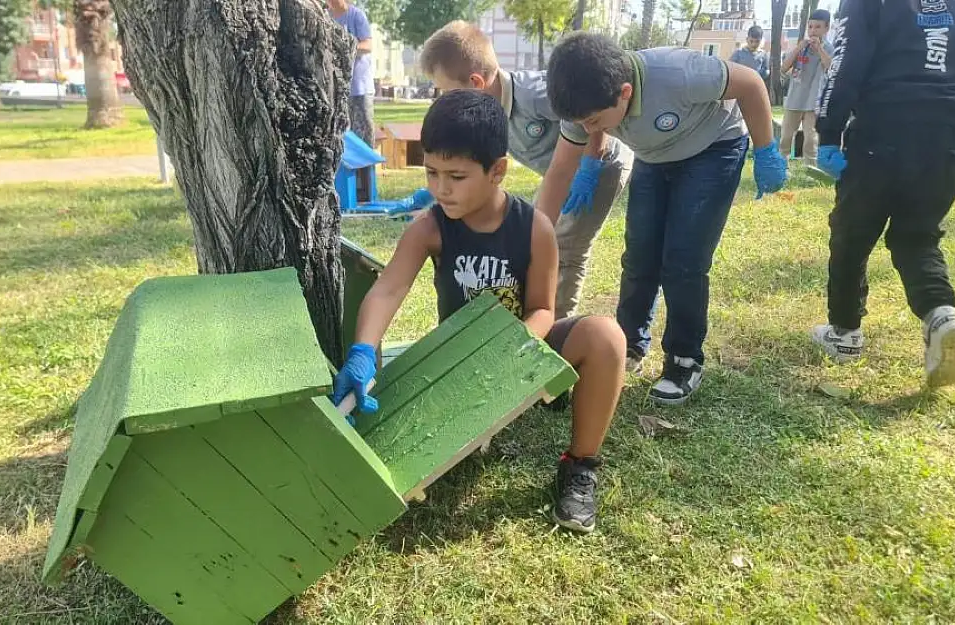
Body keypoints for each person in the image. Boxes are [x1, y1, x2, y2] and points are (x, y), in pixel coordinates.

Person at [331, 90, 627, 533]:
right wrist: (362, 349)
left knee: (607, 337)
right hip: (461, 366)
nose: (440, 189)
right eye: (431, 173)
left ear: (497, 171)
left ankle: (580, 465)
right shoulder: (429, 227)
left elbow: (544, 309)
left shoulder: (534, 228)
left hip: (522, 350)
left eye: (456, 176)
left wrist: (514, 349)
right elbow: (387, 290)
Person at [537, 33, 788, 404]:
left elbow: (750, 84)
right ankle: (629, 345)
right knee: (639, 255)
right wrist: (536, 234)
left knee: (683, 260)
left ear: (624, 92)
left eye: (593, 121)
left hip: (712, 147)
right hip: (654, 157)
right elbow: (560, 170)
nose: (588, 128)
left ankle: (684, 358)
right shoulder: (584, 101)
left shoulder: (678, 73)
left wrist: (767, 150)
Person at [812, 0, 955, 388]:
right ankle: (942, 314)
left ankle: (844, 332)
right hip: (943, 137)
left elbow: (846, 61)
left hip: (882, 130)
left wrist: (828, 132)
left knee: (852, 234)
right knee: (917, 237)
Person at [419, 21, 635, 319]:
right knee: (537, 238)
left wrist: (592, 161)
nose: (443, 100)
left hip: (600, 166)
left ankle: (558, 325)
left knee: (567, 246)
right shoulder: (485, 115)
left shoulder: (536, 95)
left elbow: (588, 108)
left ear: (476, 83)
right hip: (560, 173)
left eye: (446, 91)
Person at [780, 10, 834, 167]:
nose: (813, 31)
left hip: (814, 102)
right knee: (786, 137)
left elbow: (830, 67)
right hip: (794, 99)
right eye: (810, 27)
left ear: (826, 28)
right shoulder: (801, 47)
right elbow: (784, 68)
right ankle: (781, 166)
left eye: (817, 27)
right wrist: (797, 49)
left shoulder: (829, 48)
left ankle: (810, 168)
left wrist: (820, 50)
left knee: (811, 138)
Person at [329, 0, 376, 146]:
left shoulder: (356, 15)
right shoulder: (324, 17)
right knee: (339, 135)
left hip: (359, 87)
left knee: (364, 134)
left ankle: (367, 169)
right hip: (335, 88)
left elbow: (368, 45)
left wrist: (344, 48)